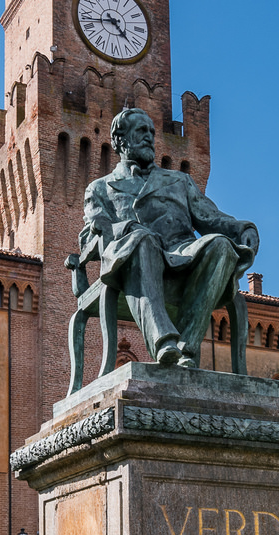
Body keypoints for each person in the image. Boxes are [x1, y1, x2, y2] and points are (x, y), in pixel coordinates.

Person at [79, 106, 259, 368]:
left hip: (183, 254)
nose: (149, 137)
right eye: (141, 131)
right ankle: (163, 342)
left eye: (152, 132)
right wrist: (125, 230)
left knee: (221, 245)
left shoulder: (179, 180)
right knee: (141, 241)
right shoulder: (100, 188)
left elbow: (213, 218)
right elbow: (89, 236)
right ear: (120, 139)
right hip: (133, 257)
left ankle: (186, 346)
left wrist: (244, 230)